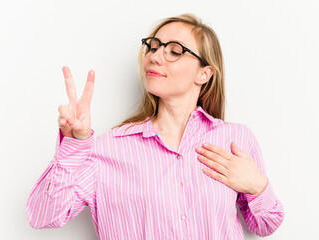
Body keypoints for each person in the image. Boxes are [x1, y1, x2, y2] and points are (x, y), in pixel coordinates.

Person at [26, 13, 284, 239]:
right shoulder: (106, 150)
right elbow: (41, 216)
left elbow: (265, 225)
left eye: (174, 50)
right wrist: (75, 145)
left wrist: (257, 186)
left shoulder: (235, 139)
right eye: (153, 47)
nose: (155, 56)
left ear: (203, 74)